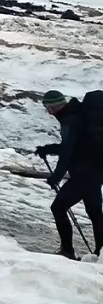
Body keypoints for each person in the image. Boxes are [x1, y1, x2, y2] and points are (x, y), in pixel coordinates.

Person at [36, 90, 103, 259]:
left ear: (55, 106)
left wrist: (56, 177)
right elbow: (74, 145)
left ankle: (67, 250)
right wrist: (49, 149)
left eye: (49, 108)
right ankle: (101, 254)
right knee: (95, 213)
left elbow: (67, 151)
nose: (48, 112)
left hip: (84, 175)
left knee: (58, 207)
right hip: (96, 171)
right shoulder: (78, 115)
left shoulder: (70, 119)